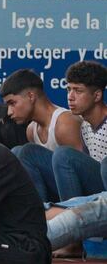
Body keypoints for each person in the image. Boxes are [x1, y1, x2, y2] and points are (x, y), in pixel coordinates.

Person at [0, 69, 83, 202]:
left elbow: (82, 174)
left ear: (31, 96)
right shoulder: (31, 130)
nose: (9, 112)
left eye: (12, 103)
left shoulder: (64, 123)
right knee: (16, 152)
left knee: (28, 152)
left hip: (85, 198)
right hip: (56, 192)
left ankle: (45, 215)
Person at [51, 61, 107, 200]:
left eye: (78, 91)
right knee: (29, 152)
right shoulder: (84, 125)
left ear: (97, 96)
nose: (70, 97)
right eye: (69, 89)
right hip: (96, 189)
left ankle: (73, 216)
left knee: (63, 155)